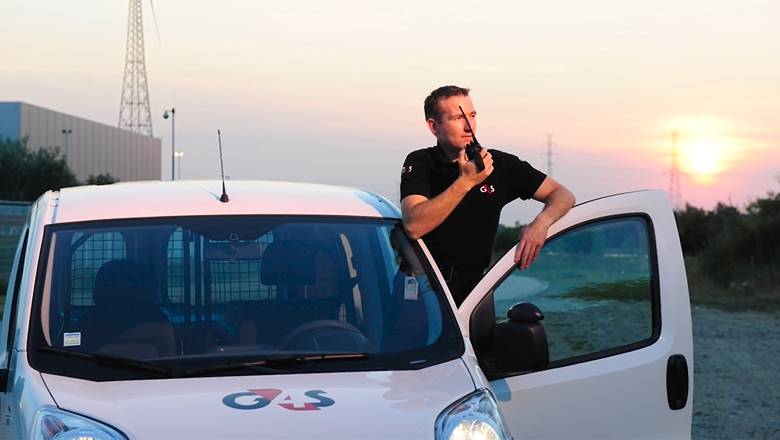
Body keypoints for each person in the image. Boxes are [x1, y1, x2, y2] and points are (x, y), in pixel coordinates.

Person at [400, 85, 575, 306]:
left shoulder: (500, 165)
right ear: (434, 127)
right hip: (421, 286)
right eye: (457, 118)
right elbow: (414, 226)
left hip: (474, 290)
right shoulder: (420, 163)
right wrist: (465, 182)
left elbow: (563, 195)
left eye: (472, 116)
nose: (468, 126)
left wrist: (542, 222)